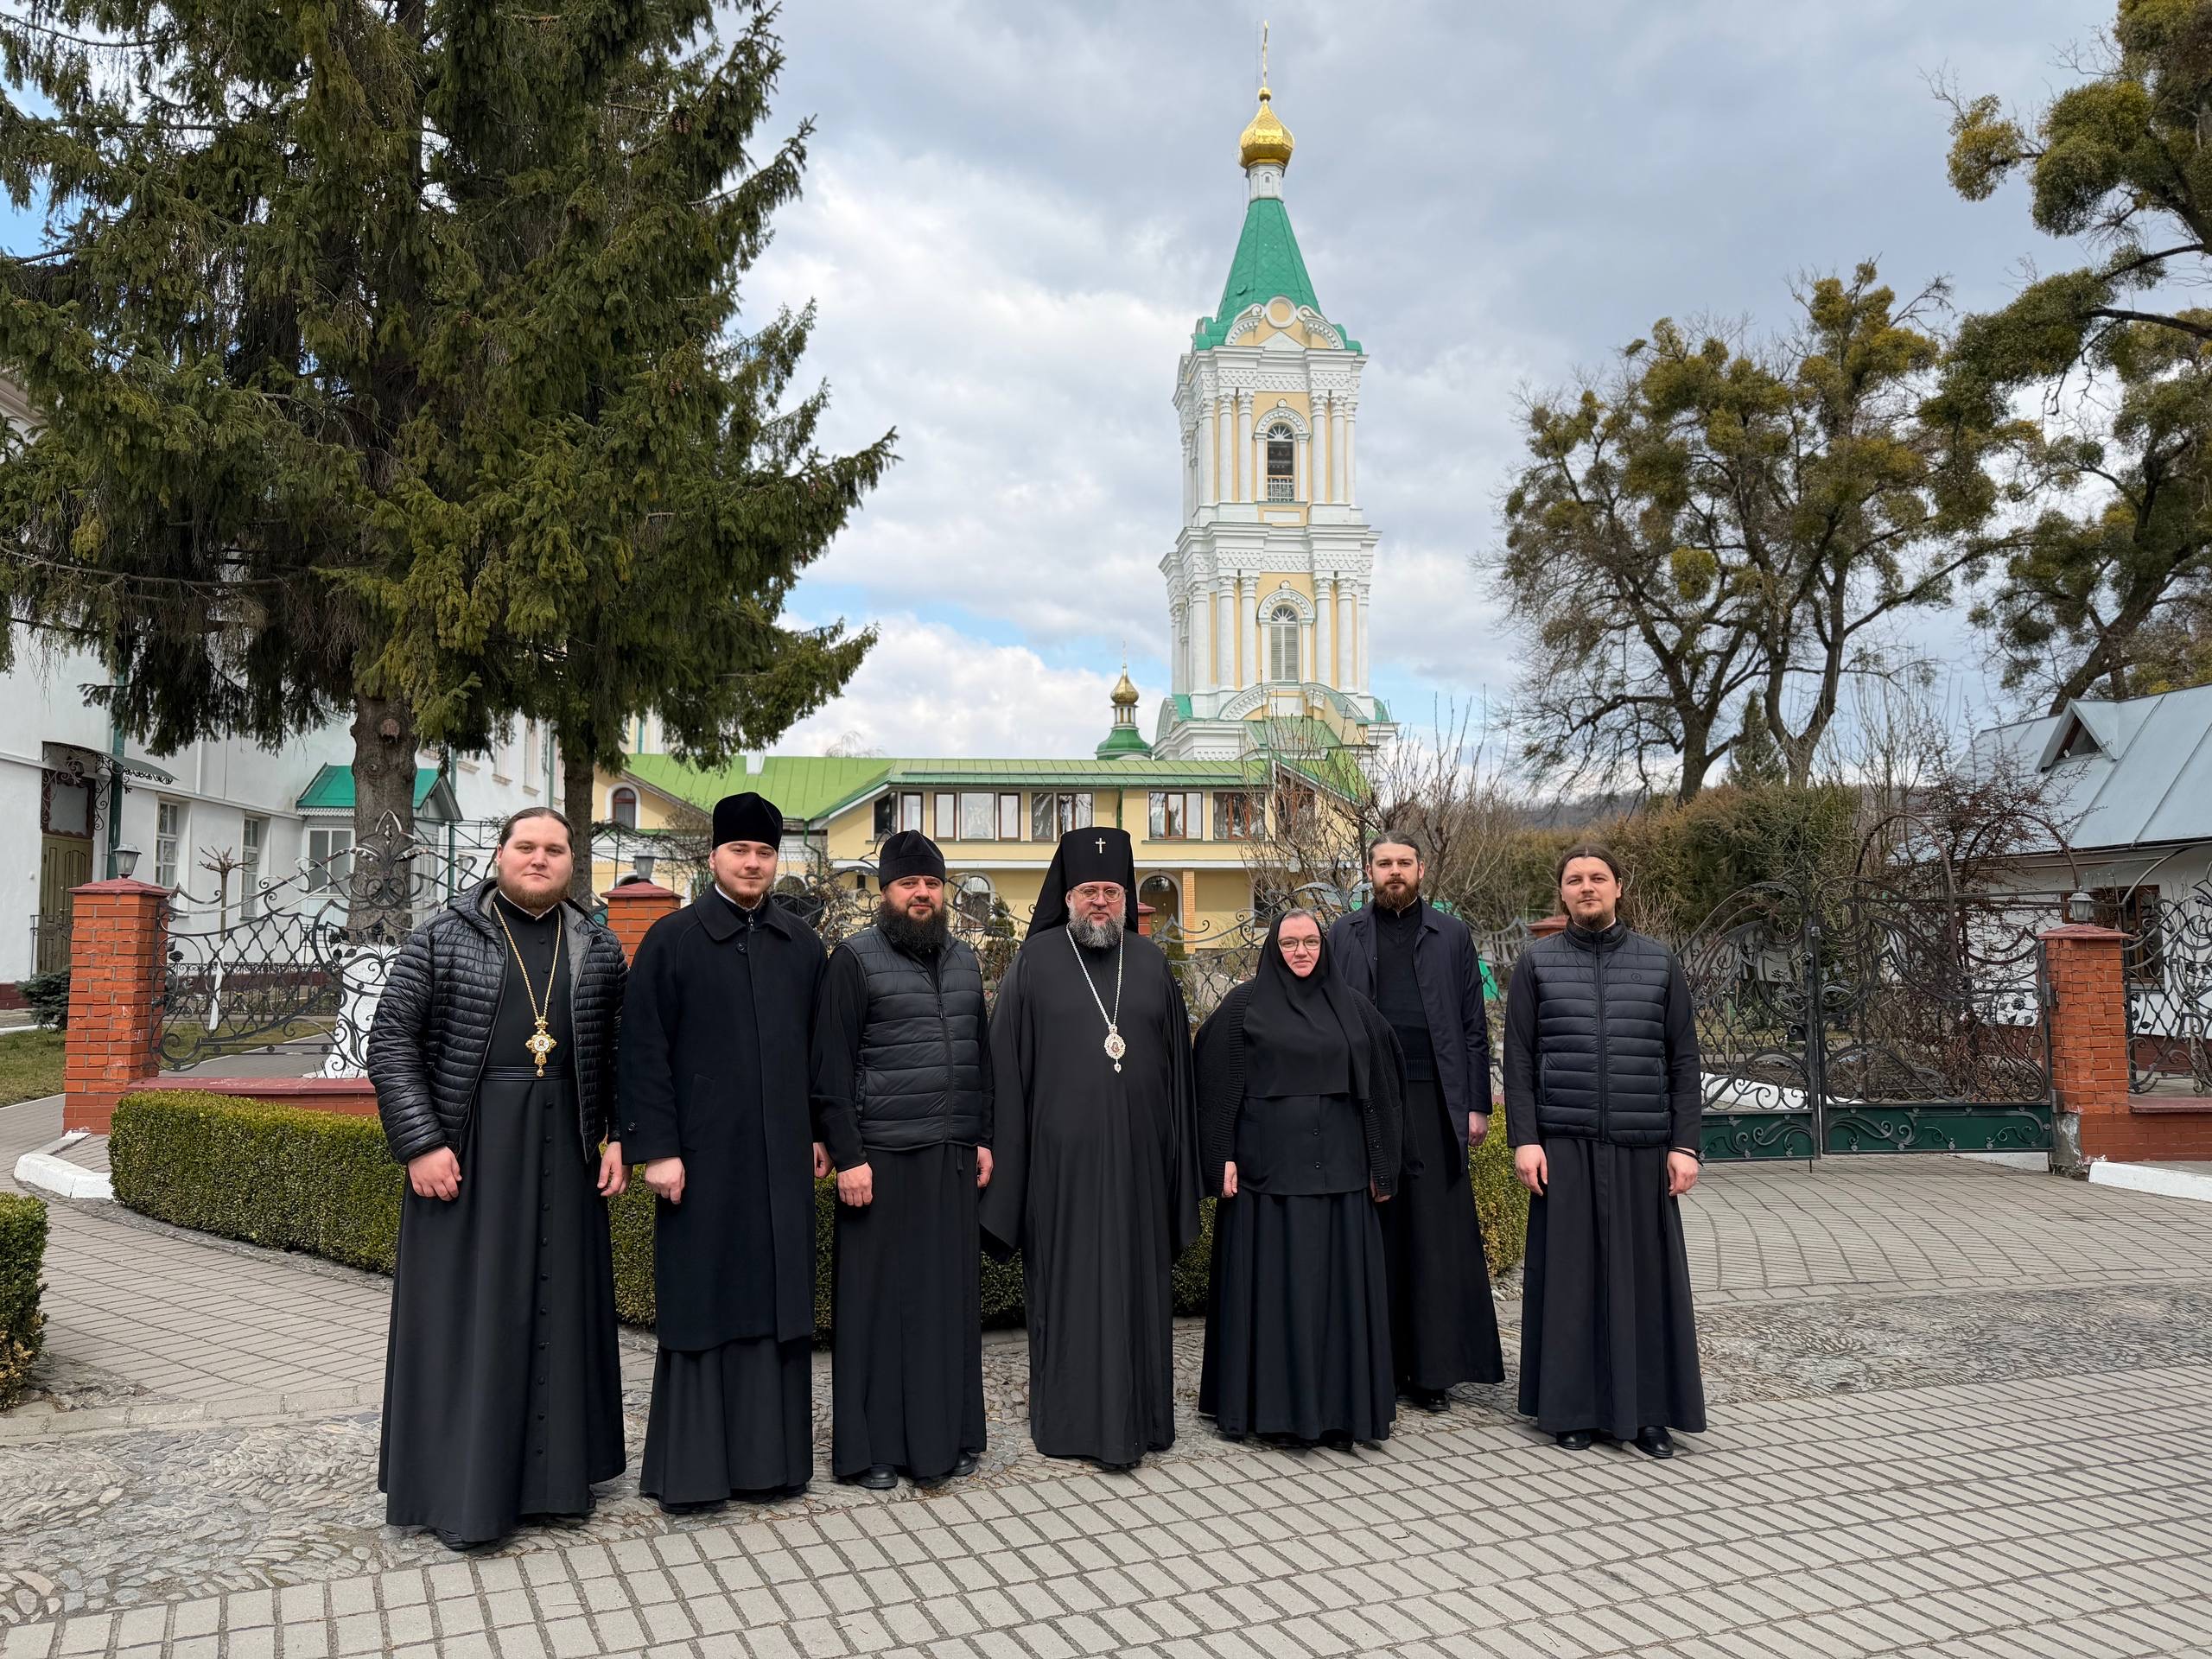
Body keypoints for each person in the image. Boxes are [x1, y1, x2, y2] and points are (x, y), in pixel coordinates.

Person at [367, 806, 629, 1551]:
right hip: (472, 1147)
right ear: (500, 854)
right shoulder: (443, 936)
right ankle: (464, 1492)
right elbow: (391, 1041)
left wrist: (616, 1137)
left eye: (554, 849)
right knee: (474, 1317)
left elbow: (617, 1053)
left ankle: (553, 1485)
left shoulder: (598, 944)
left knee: (557, 1309)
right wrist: (421, 1143)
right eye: (526, 847)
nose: (540, 859)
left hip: (568, 1146)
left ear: (571, 861)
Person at [617, 791, 826, 1508]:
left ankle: (772, 1466)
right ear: (714, 857)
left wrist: (822, 1133)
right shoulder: (671, 940)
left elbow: (821, 1054)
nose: (753, 864)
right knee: (705, 1299)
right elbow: (642, 1050)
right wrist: (659, 1150)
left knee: (774, 1299)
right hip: (700, 1160)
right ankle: (696, 1472)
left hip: (781, 1161)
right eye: (740, 851)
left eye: (765, 853)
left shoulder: (802, 945)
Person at [980, 826, 1201, 1471]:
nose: (1101, 902)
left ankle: (1145, 1420)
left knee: (1138, 1290)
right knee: (1067, 1292)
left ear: (1126, 898)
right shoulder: (1035, 963)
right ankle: (1071, 1422)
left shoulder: (1154, 964)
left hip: (1138, 1168)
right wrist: (1005, 1159)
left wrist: (1178, 1165)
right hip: (1061, 1176)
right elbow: (1005, 1070)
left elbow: (1178, 1076)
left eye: (1111, 891)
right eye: (1088, 891)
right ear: (1067, 896)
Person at [1503, 842, 1707, 1458]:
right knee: (1569, 1286)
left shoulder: (1658, 962)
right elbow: (1518, 1059)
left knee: (1645, 1286)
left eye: (1597, 878)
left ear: (1619, 887)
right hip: (1563, 1148)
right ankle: (1572, 1410)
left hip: (1642, 1149)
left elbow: (1684, 1059)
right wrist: (1526, 1141)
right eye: (1574, 879)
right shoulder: (1536, 964)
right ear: (1560, 892)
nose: (1586, 887)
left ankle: (1648, 1416)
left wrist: (1686, 1145)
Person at [812, 830, 992, 1491]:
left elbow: (982, 1059)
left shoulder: (967, 961)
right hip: (881, 1161)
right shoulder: (853, 960)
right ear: (885, 893)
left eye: (931, 883)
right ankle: (873, 1450)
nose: (922, 893)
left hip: (949, 1155)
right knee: (877, 1311)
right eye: (908, 883)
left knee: (947, 1305)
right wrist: (849, 1155)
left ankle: (951, 1438)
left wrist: (984, 1138)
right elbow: (830, 1068)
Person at [1197, 909, 1403, 1449]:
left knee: (1339, 1297)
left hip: (1342, 1177)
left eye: (1311, 941)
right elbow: (1213, 1084)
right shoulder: (1243, 1005)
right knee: (1275, 1294)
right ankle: (1272, 1412)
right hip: (1268, 1180)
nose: (1301, 951)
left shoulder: (1354, 1008)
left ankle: (1342, 1412)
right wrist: (1221, 1156)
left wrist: (1383, 1165)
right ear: (1272, 948)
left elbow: (1382, 1086)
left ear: (1325, 947)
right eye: (1289, 943)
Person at [1325, 833, 1504, 1411]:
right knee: (1376, 1229)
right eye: (1384, 864)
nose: (1394, 872)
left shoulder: (1451, 935)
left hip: (1434, 1099)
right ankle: (1376, 1363)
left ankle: (1432, 1371)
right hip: (1366, 1099)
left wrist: (1476, 1104)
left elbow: (1474, 1027)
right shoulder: (1343, 934)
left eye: (1404, 863)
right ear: (1369, 872)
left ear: (1420, 870)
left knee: (1432, 1234)